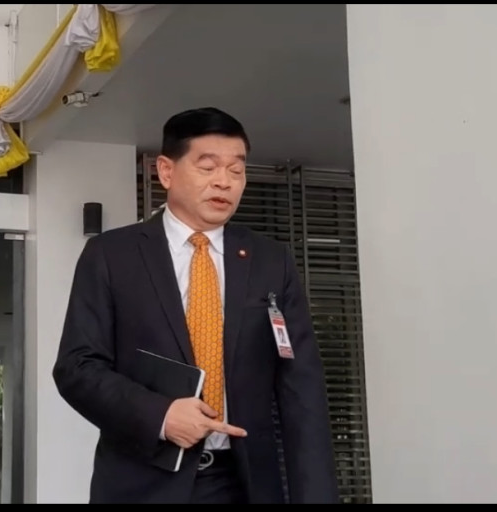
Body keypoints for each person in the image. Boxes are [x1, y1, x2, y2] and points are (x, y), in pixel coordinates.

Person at [52, 107, 339, 504]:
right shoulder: (111, 255)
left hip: (242, 484)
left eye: (236, 170)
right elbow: (77, 367)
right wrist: (160, 415)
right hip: (142, 483)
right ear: (166, 171)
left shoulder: (271, 262)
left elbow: (301, 389)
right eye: (207, 167)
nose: (224, 181)